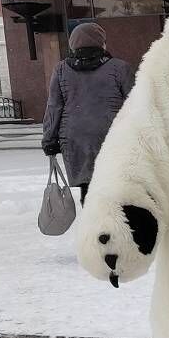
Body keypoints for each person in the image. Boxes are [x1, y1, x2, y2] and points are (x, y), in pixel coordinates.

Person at [41, 22, 134, 203]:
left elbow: (54, 106)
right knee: (114, 184)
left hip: (75, 137)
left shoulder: (61, 70)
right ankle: (113, 222)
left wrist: (49, 139)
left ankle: (91, 222)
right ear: (100, 42)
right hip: (112, 134)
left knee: (88, 186)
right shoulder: (119, 68)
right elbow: (135, 102)